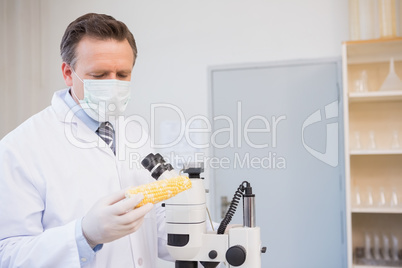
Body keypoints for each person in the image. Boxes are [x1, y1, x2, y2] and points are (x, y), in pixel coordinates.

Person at [0, 13, 171, 267]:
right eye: (99, 75)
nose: (113, 84)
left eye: (122, 74)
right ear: (68, 73)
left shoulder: (135, 134)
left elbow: (156, 225)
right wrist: (84, 235)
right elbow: (9, 254)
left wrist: (211, 234)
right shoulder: (19, 148)